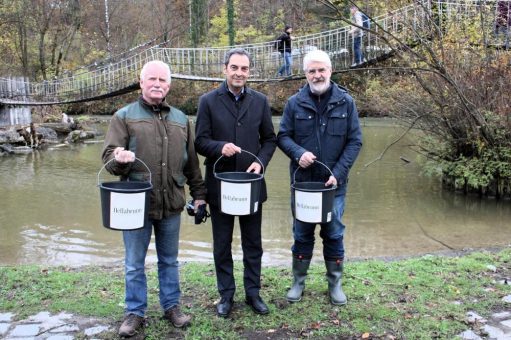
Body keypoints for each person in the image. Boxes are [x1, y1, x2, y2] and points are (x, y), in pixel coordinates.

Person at [101, 60, 207, 337]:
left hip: (172, 201)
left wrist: (199, 196)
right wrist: (119, 158)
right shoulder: (123, 116)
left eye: (162, 80)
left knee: (169, 260)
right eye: (152, 79)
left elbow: (192, 164)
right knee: (134, 263)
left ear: (169, 85)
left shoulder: (182, 119)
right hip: (135, 205)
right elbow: (108, 159)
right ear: (141, 82)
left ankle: (172, 306)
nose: (157, 84)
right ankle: (135, 312)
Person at [195, 48, 277, 318]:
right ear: (225, 69)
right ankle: (226, 295)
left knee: (253, 243)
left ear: (249, 72)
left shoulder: (261, 101)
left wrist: (261, 162)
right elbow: (200, 142)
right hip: (219, 187)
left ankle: (253, 293)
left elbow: (269, 139)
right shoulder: (208, 101)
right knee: (222, 244)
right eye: (234, 67)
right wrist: (220, 148)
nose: (239, 73)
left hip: (251, 184)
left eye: (244, 68)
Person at [277, 50, 362, 306]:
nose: (317, 75)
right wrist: (298, 152)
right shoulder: (294, 103)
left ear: (330, 71)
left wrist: (338, 173)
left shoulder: (346, 102)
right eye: (312, 71)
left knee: (333, 233)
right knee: (302, 234)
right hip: (303, 185)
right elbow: (283, 136)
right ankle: (298, 282)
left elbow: (355, 141)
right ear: (305, 74)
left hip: (333, 186)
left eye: (321, 70)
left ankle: (334, 284)